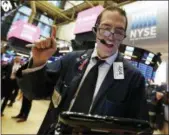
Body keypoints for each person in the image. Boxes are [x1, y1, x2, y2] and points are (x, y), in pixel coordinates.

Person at [16, 6, 148, 134]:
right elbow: (33, 92)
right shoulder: (70, 60)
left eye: (119, 31)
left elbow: (140, 127)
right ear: (96, 30)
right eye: (106, 28)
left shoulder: (133, 77)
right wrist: (38, 61)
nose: (111, 36)